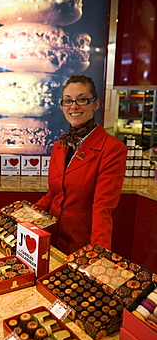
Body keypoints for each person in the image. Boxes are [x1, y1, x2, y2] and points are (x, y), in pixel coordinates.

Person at [35, 74, 127, 255]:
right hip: (50, 240)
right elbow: (52, 195)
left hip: (82, 245)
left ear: (95, 104)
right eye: (67, 101)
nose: (74, 106)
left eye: (82, 99)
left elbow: (103, 209)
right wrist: (25, 218)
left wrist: (98, 254)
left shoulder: (113, 149)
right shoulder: (59, 146)